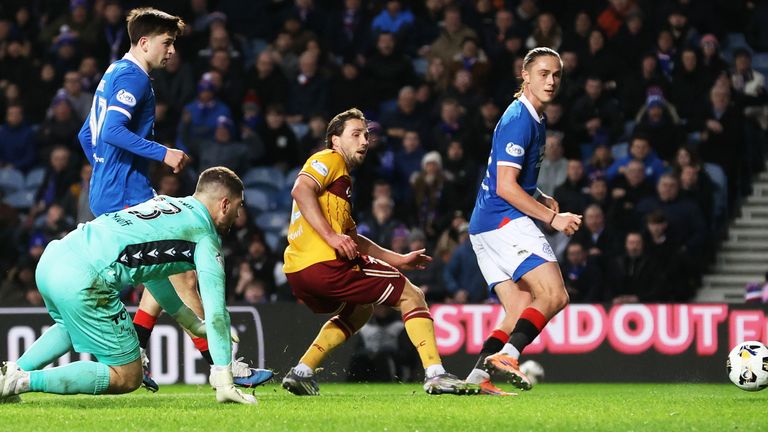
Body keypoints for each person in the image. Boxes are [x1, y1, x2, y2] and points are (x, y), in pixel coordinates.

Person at [75, 7, 269, 392]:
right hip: (125, 194)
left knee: (164, 278)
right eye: (166, 43)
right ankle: (225, 366)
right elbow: (111, 130)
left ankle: (143, 351)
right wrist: (162, 153)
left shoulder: (113, 72)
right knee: (182, 273)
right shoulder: (133, 75)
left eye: (174, 43)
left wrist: (104, 169)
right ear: (144, 42)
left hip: (112, 190)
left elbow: (88, 134)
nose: (172, 51)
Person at [0, 167, 255, 405]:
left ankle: (9, 375)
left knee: (70, 326)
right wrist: (223, 376)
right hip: (84, 279)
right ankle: (23, 381)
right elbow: (217, 312)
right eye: (238, 206)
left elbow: (153, 275)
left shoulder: (165, 202)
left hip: (54, 257)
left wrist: (191, 323)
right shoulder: (204, 237)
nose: (238, 214)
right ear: (224, 204)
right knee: (127, 375)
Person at [281, 108, 478, 396]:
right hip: (324, 263)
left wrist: (400, 259)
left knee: (361, 310)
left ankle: (302, 371)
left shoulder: (339, 190)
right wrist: (331, 237)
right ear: (335, 140)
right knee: (413, 296)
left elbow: (354, 240)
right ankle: (436, 373)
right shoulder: (328, 158)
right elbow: (300, 189)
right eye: (356, 134)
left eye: (366, 135)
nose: (364, 141)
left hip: (300, 272)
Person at [464, 47, 582, 395]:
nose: (551, 81)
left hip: (483, 225)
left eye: (557, 74)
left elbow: (508, 175)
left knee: (518, 308)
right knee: (555, 295)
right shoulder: (520, 119)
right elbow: (505, 186)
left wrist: (540, 194)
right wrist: (552, 217)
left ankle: (477, 377)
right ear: (525, 75)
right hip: (503, 220)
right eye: (543, 73)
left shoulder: (531, 116)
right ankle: (509, 356)